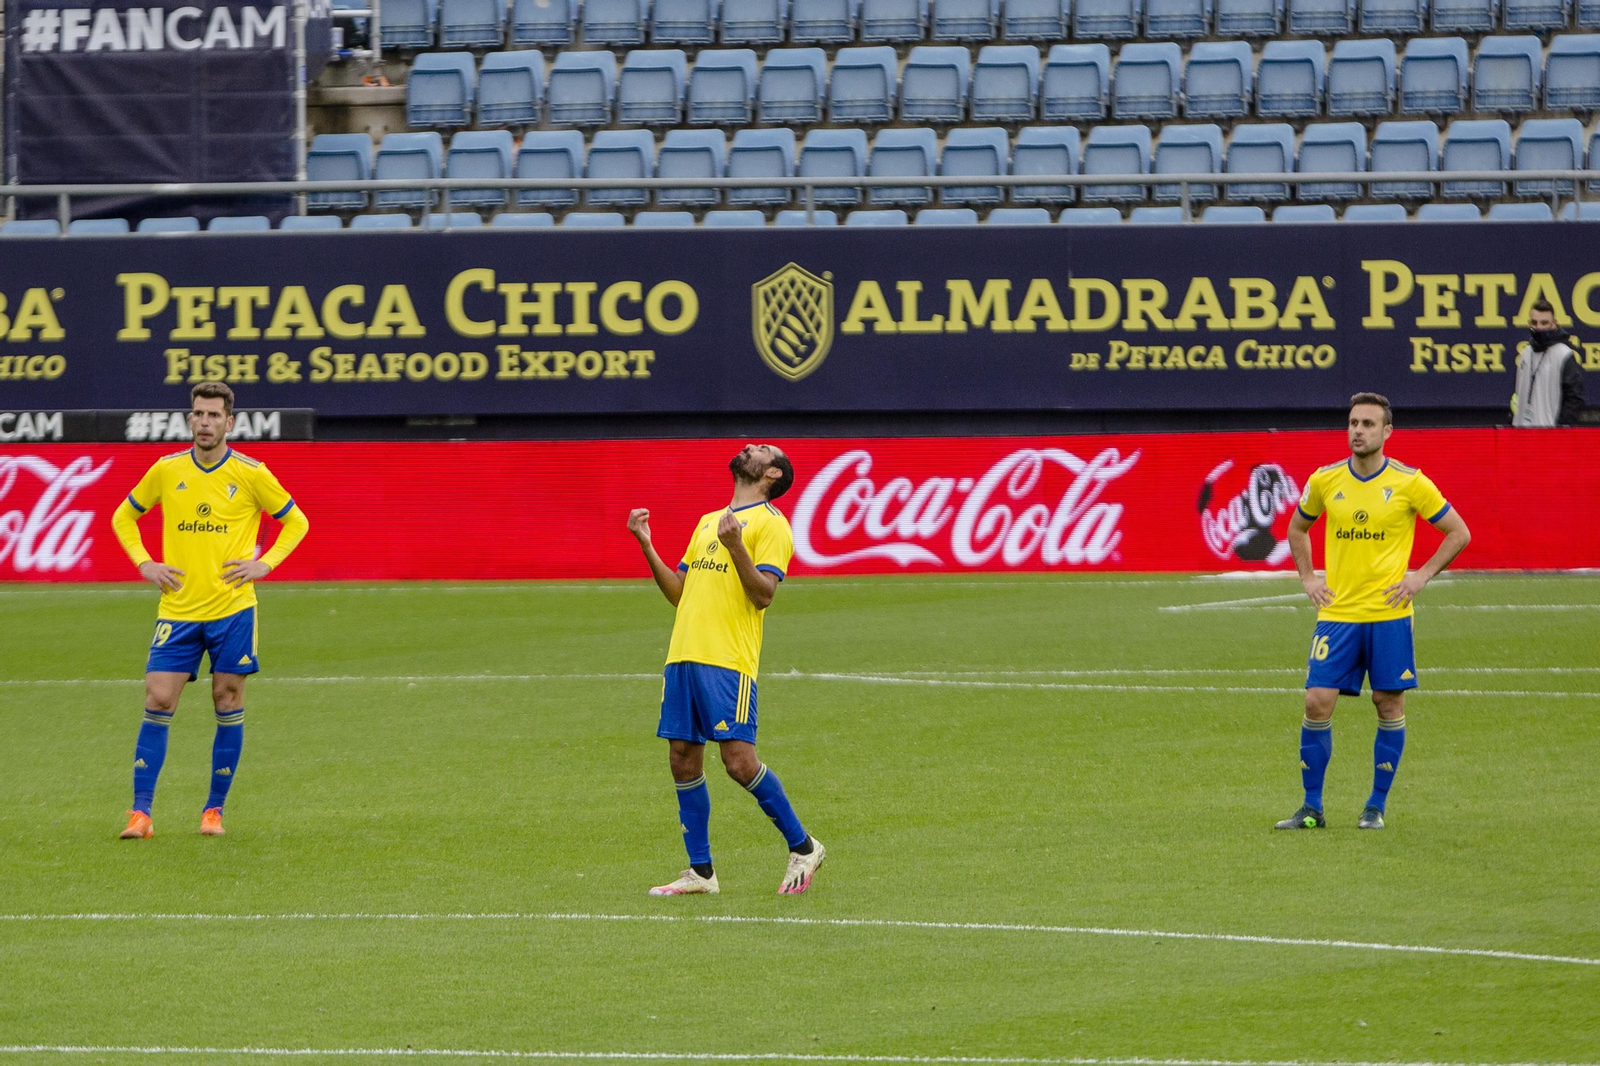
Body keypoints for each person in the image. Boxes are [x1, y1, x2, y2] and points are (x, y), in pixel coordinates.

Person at [110, 382, 310, 839]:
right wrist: (145, 562)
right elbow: (123, 515)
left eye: (214, 415)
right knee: (158, 698)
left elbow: (297, 520)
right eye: (198, 414)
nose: (204, 422)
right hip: (177, 609)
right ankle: (140, 814)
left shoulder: (251, 473)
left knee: (228, 700)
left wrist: (265, 563)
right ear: (190, 419)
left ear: (229, 423)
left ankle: (213, 811)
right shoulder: (166, 470)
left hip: (233, 610)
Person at [626, 444, 824, 896]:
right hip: (684, 655)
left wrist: (736, 545)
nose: (749, 447)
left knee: (738, 761)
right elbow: (680, 592)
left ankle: (804, 846)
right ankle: (701, 872)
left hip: (727, 660)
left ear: (771, 472)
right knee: (681, 757)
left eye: (761, 450)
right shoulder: (706, 521)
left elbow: (763, 595)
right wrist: (647, 544)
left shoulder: (772, 525)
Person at [1277, 392, 1470, 832]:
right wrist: (1308, 578)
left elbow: (1458, 532)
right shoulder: (1325, 480)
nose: (1357, 431)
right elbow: (1298, 527)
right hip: (1338, 613)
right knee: (1316, 700)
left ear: (1387, 431)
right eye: (1352, 423)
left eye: (1367, 423)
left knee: (1388, 703)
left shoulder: (1410, 482)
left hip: (1389, 615)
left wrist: (1420, 576)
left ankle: (1375, 806)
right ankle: (1311, 808)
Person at [1512, 299, 1585, 427]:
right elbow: (1518, 394)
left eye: (1544, 323)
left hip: (1549, 436)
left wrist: (1560, 431)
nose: (1539, 327)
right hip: (1521, 435)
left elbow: (1574, 398)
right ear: (1529, 323)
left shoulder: (1563, 355)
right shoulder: (1526, 353)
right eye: (1535, 323)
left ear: (1554, 324)